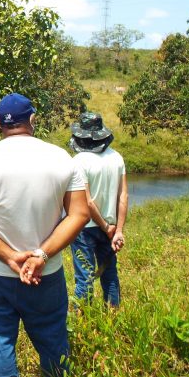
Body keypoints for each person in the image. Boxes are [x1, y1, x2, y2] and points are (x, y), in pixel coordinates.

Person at [0, 93, 89, 377]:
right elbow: (79, 214)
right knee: (54, 342)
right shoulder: (60, 158)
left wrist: (8, 256)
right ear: (32, 120)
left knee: (0, 341)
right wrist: (40, 255)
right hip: (46, 272)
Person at [68, 112, 128, 307]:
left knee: (84, 276)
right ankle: (113, 316)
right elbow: (123, 196)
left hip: (85, 228)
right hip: (110, 226)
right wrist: (117, 229)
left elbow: (87, 202)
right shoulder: (117, 158)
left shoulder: (79, 161)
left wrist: (104, 225)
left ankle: (81, 322)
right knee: (109, 273)